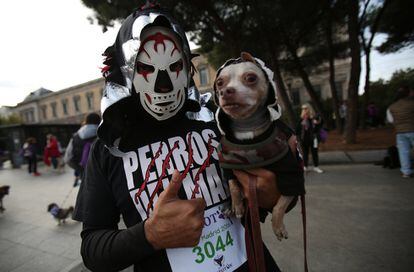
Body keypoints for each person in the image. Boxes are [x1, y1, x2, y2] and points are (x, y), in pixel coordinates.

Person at [73, 5, 285, 272]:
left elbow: (269, 196)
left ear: (187, 67)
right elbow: (92, 249)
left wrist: (269, 196)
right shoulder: (110, 146)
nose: (164, 84)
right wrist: (150, 235)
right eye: (147, 68)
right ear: (128, 71)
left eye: (174, 66)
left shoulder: (219, 121)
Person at [65, 112, 101, 187]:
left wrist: (81, 170)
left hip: (84, 175)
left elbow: (68, 159)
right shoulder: (102, 134)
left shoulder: (76, 136)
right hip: (102, 175)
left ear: (86, 121)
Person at [388, 86, 414, 178]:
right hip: (412, 129)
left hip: (400, 132)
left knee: (403, 152)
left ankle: (406, 171)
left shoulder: (392, 107)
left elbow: (390, 120)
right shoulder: (411, 104)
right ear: (408, 93)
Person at [297, 103, 324, 173]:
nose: (304, 110)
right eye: (303, 109)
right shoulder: (301, 119)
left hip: (313, 139)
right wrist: (301, 121)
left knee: (314, 153)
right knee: (305, 154)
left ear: (309, 109)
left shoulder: (314, 118)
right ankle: (305, 167)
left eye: (306, 108)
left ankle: (316, 167)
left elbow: (319, 127)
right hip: (304, 139)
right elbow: (297, 129)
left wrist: (316, 123)